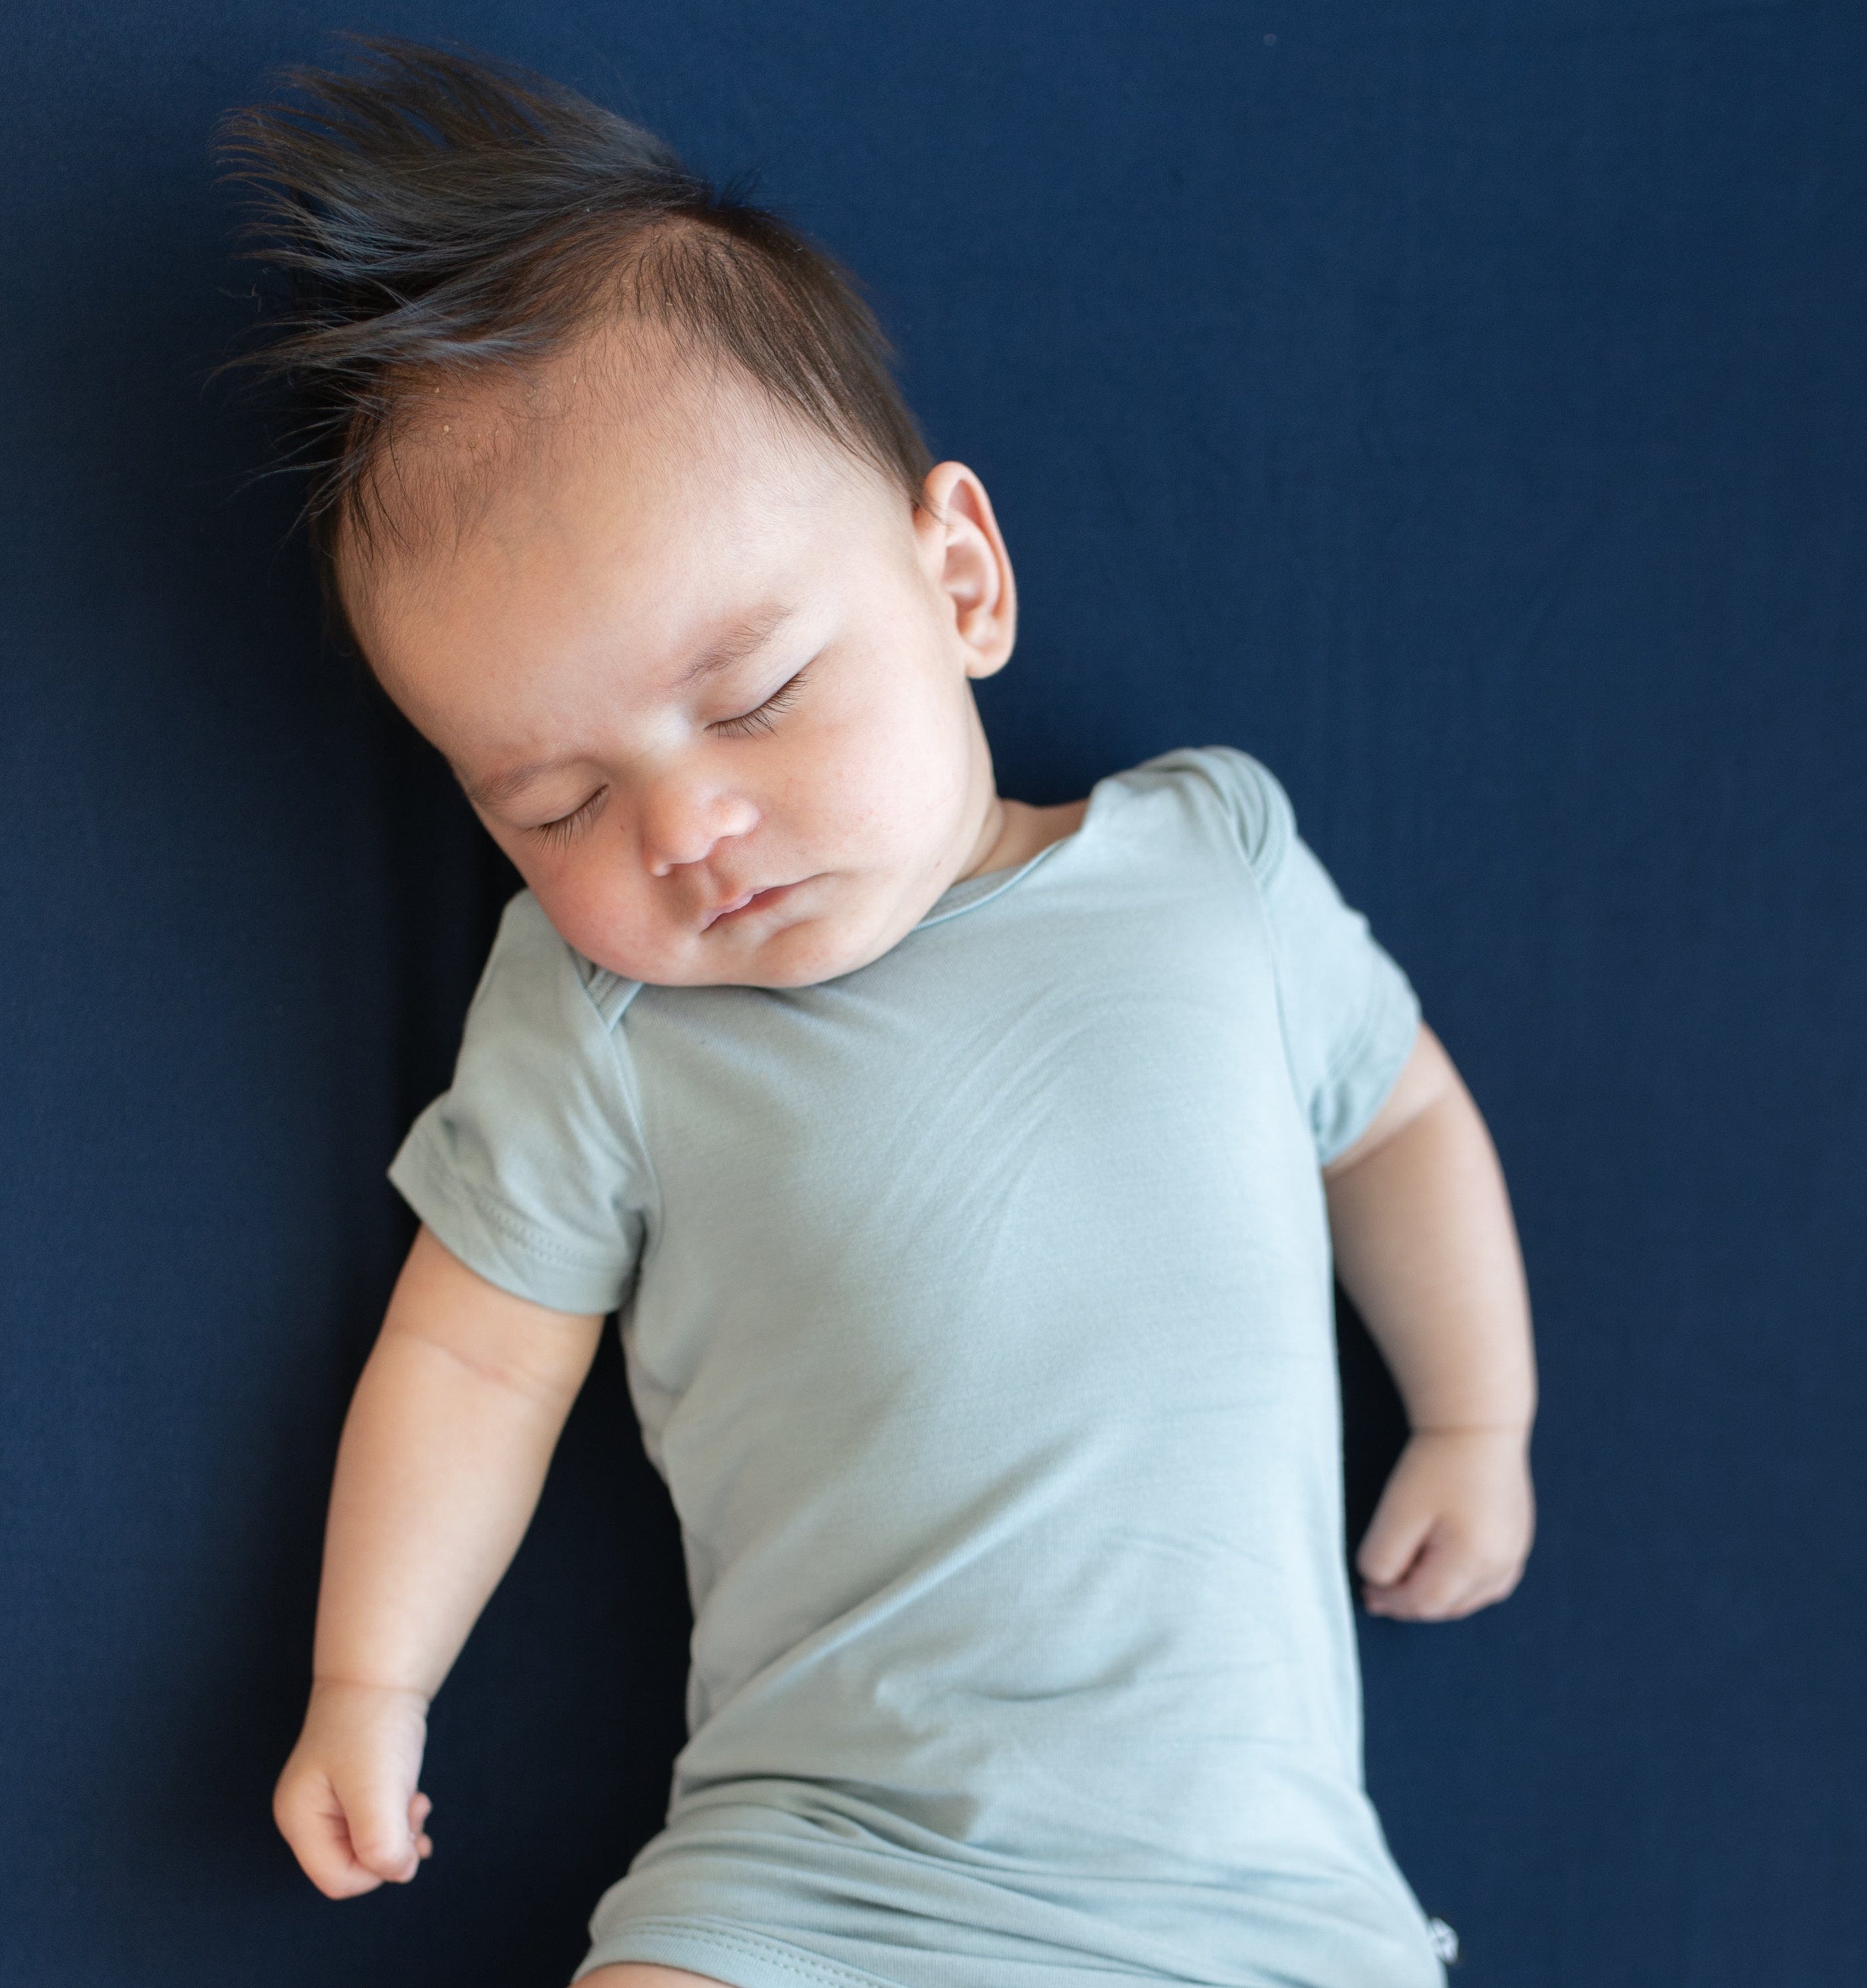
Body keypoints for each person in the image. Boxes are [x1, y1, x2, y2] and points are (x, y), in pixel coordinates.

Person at [225, 38, 1536, 1988]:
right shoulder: (599, 1011)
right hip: (823, 1874)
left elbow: (1403, 1116)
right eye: (556, 804)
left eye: (755, 699)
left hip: (1265, 1908)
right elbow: (475, 1365)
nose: (687, 830)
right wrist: (370, 1675)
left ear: (960, 580)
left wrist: (1476, 1413)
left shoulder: (1211, 873)